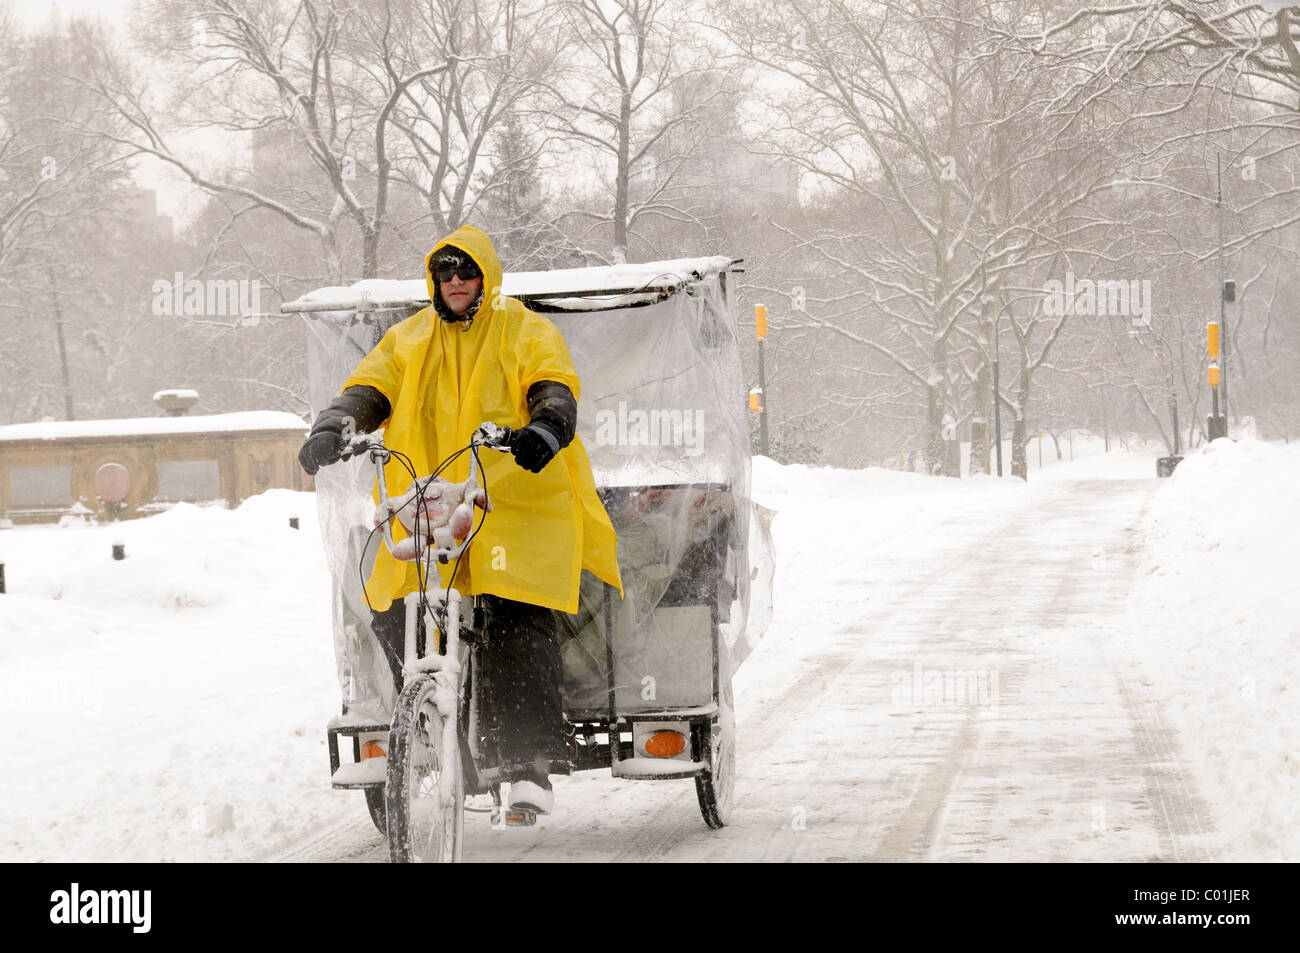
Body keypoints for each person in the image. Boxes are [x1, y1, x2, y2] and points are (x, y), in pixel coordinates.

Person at [298, 225, 623, 814]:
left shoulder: (523, 328)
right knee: (395, 610)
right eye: (444, 273)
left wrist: (545, 426)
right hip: (431, 503)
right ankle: (425, 732)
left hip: (514, 501)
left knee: (512, 613)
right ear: (433, 279)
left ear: (486, 276)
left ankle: (528, 763)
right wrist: (335, 425)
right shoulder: (409, 338)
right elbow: (370, 388)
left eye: (465, 271)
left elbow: (552, 385)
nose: (454, 282)